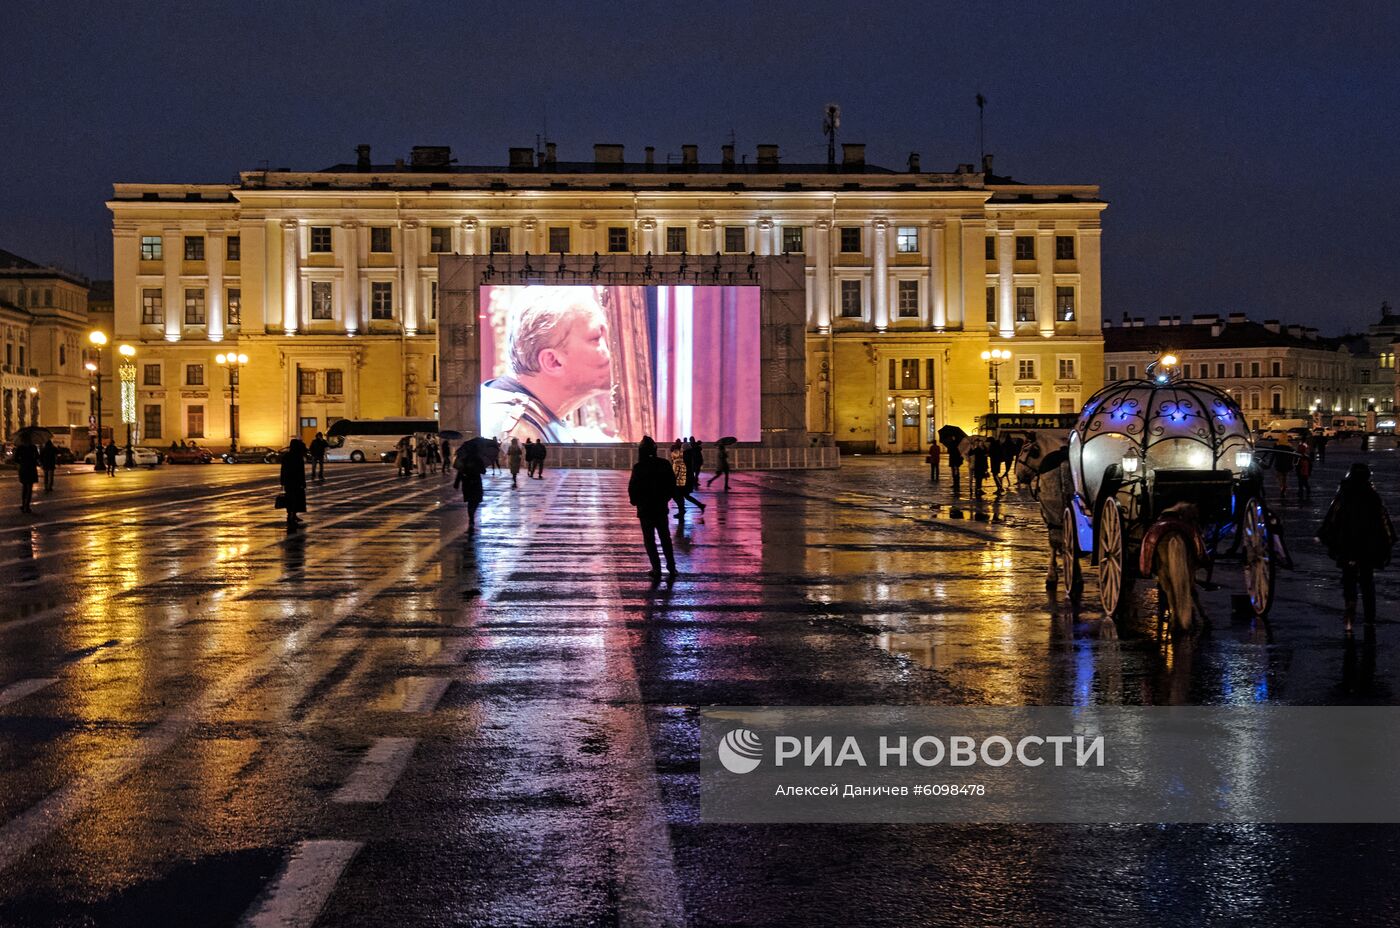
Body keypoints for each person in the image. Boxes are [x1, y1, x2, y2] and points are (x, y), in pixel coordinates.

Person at [480, 288, 616, 442]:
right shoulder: (514, 436)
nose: (612, 346)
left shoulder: (519, 414)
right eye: (597, 337)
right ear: (553, 361)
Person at [1317, 463, 1395, 631]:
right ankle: (1369, 618)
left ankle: (1350, 605)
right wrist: (1388, 542)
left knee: (1349, 579)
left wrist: (1325, 536)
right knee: (1367, 581)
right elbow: (1384, 522)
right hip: (1367, 546)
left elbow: (1332, 518)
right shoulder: (1373, 496)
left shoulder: (1343, 494)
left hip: (1347, 545)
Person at [628, 436, 679, 579]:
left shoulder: (639, 467)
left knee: (649, 540)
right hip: (661, 508)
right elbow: (671, 484)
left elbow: (633, 487)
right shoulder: (664, 464)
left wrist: (635, 501)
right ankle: (672, 567)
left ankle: (656, 568)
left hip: (645, 510)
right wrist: (665, 498)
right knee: (665, 538)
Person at [453, 443, 486, 528]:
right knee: (476, 500)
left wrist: (457, 483)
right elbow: (483, 471)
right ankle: (472, 515)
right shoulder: (478, 459)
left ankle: (471, 517)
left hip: (466, 482)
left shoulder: (463, 459)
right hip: (476, 482)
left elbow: (460, 471)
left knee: (470, 501)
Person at [279, 438, 309, 530]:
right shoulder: (298, 456)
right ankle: (293, 515)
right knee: (297, 499)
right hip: (296, 481)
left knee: (290, 498)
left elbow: (283, 470)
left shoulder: (286, 456)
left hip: (288, 481)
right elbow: (301, 471)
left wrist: (282, 481)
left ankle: (290, 515)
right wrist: (303, 482)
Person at [15, 437, 39, 513]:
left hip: (23, 468)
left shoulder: (20, 447)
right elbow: (37, 457)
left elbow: (15, 458)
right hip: (31, 468)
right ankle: (27, 506)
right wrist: (33, 460)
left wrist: (21, 462)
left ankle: (23, 504)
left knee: (24, 487)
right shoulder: (33, 447)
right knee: (29, 488)